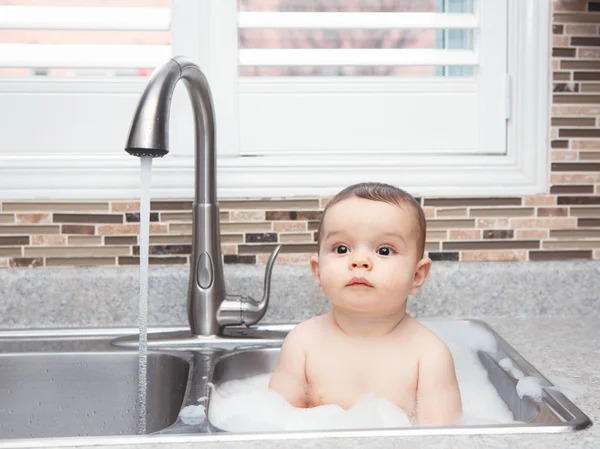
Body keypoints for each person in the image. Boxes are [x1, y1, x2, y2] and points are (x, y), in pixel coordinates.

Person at [268, 182, 462, 426]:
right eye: (341, 248)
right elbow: (274, 424)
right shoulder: (302, 343)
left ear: (417, 276)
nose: (360, 261)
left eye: (384, 250)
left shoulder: (429, 355)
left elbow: (444, 439)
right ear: (318, 272)